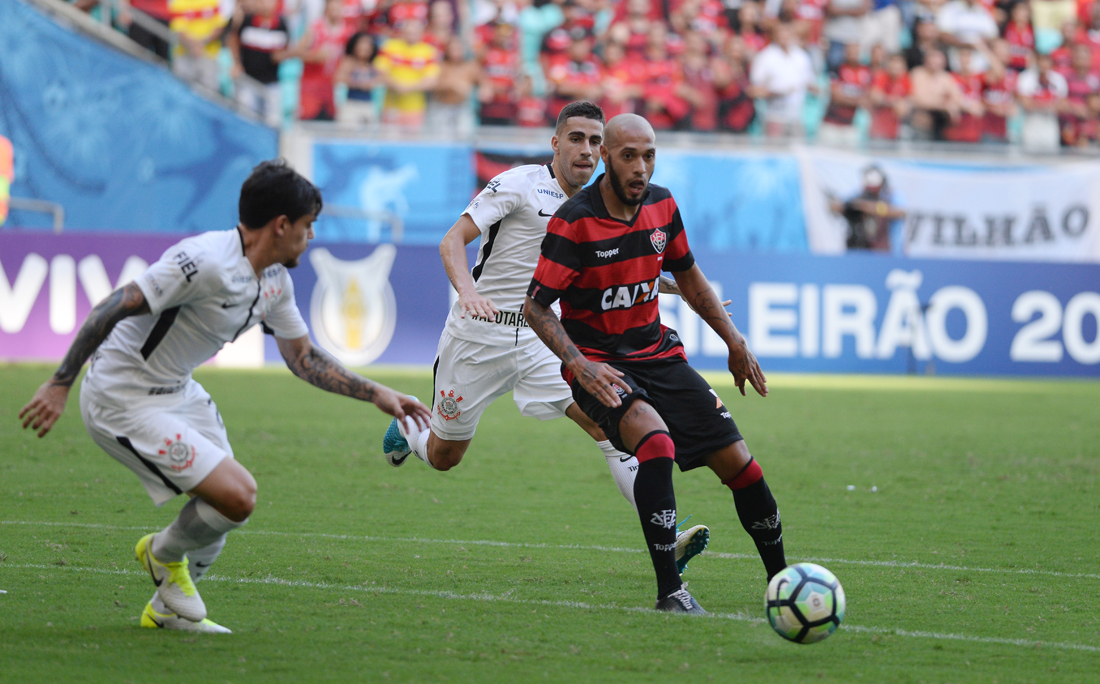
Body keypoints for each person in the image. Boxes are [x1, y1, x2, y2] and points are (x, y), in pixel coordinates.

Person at [19, 160, 431, 633]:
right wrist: (59, 382)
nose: (311, 236)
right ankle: (160, 553)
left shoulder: (275, 279)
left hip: (179, 391)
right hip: (122, 397)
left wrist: (377, 393)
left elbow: (302, 358)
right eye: (308, 226)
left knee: (225, 506)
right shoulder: (204, 262)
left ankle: (168, 611)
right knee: (237, 495)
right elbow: (113, 305)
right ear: (281, 226)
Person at [381, 102, 712, 576]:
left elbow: (610, 263)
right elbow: (452, 240)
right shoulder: (518, 184)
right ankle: (412, 427)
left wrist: (670, 283)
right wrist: (469, 292)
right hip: (479, 337)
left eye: (596, 141)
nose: (587, 150)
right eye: (576, 138)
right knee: (444, 456)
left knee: (608, 423)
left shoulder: (603, 203)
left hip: (544, 339)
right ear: (555, 143)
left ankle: (666, 533)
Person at [523, 113, 787, 613]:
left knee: (741, 465)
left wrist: (734, 341)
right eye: (629, 156)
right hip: (601, 367)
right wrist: (579, 365)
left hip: (659, 355)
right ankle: (671, 592)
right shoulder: (575, 221)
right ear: (607, 159)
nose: (640, 168)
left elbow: (688, 278)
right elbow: (536, 306)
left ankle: (783, 583)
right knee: (657, 445)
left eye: (649, 156)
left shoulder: (663, 205)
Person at [228, 0, 291, 127]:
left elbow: (284, 52)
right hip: (248, 80)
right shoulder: (247, 21)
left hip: (271, 83)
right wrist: (236, 63)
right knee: (246, 119)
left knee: (273, 122)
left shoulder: (281, 25)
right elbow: (233, 39)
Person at [830, 165, 905, 251]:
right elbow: (837, 206)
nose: (871, 191)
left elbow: (900, 212)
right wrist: (849, 207)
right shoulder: (859, 195)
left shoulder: (892, 196)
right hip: (862, 247)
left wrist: (872, 208)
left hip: (887, 250)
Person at [335, 32, 381, 126]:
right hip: (351, 103)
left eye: (367, 45)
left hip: (368, 105)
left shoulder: (375, 64)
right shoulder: (349, 62)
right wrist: (357, 83)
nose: (364, 48)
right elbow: (338, 78)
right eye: (361, 44)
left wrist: (371, 83)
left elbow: (384, 78)